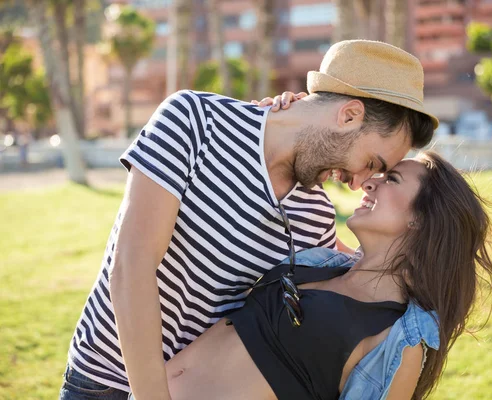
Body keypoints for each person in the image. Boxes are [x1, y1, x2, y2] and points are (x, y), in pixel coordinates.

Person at [60, 40, 437, 400]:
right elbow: (131, 267)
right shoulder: (195, 122)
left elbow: (376, 269)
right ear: (349, 114)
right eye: (371, 163)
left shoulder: (316, 216)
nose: (358, 183)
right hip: (101, 383)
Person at [127, 150, 492, 400]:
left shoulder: (397, 339)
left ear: (420, 220)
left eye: (392, 179)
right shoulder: (321, 264)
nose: (368, 182)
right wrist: (283, 112)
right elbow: (279, 169)